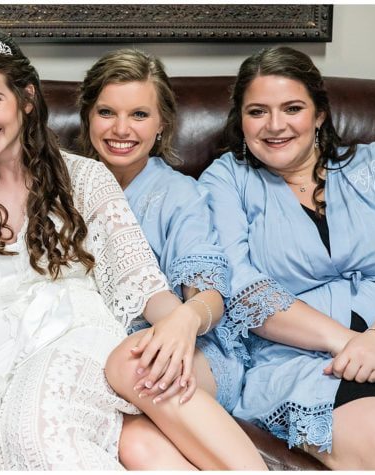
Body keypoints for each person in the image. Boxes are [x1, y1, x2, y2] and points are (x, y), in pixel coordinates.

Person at [0, 30, 261, 470]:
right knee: (5, 440)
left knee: (34, 430)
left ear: (27, 98)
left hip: (76, 331)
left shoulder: (87, 177)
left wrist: (181, 324)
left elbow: (139, 281)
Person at [76, 48, 265, 469]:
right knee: (136, 445)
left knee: (134, 362)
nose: (121, 129)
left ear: (163, 123)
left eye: (139, 115)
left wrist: (183, 320)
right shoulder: (64, 186)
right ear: (87, 115)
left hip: (186, 354)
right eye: (107, 112)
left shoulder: (180, 195)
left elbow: (211, 293)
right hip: (97, 358)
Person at [198, 46, 375, 470]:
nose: (275, 126)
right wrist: (350, 343)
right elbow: (239, 288)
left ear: (319, 114)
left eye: (292, 108)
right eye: (258, 111)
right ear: (240, 120)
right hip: (300, 359)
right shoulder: (226, 181)